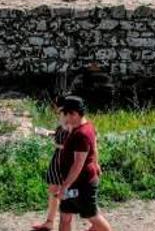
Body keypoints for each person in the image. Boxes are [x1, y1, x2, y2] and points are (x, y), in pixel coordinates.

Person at [56, 96, 112, 231]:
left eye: (66, 114)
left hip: (83, 184)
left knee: (93, 217)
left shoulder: (82, 134)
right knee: (65, 217)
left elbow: (78, 164)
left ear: (74, 114)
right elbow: (95, 148)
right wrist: (96, 164)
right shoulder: (83, 127)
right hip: (73, 183)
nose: (65, 118)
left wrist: (65, 186)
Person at [31, 96, 70, 231]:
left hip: (65, 159)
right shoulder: (63, 117)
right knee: (53, 190)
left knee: (70, 193)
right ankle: (49, 222)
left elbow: (76, 141)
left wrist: (59, 145)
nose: (55, 109)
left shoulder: (71, 119)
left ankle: (93, 219)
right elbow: (61, 133)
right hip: (57, 159)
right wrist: (48, 133)